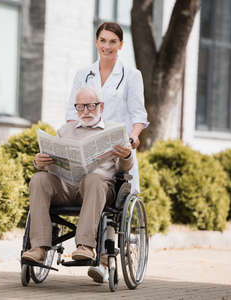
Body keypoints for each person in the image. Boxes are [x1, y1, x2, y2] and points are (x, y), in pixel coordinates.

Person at [65, 22, 149, 283]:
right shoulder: (84, 74)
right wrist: (71, 140)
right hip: (86, 148)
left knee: (111, 200)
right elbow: (71, 113)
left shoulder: (131, 75)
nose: (107, 46)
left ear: (121, 45)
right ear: (97, 42)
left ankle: (103, 261)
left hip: (115, 149)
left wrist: (133, 138)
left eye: (113, 41)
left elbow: (138, 115)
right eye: (103, 40)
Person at [21, 86, 133, 265]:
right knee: (38, 179)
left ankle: (85, 246)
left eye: (91, 106)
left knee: (94, 179)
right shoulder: (65, 130)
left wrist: (126, 156)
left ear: (101, 107)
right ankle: (39, 248)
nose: (86, 111)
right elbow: (52, 166)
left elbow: (124, 169)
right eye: (80, 107)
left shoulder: (115, 132)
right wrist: (41, 161)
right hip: (66, 187)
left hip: (99, 190)